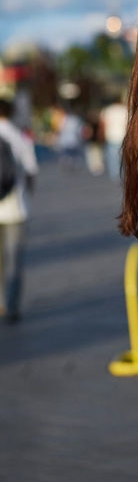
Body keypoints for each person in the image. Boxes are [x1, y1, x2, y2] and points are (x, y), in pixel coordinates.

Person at [0, 93, 38, 323]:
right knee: (14, 260)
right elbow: (31, 170)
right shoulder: (20, 137)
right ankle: (12, 306)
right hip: (16, 208)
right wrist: (27, 195)